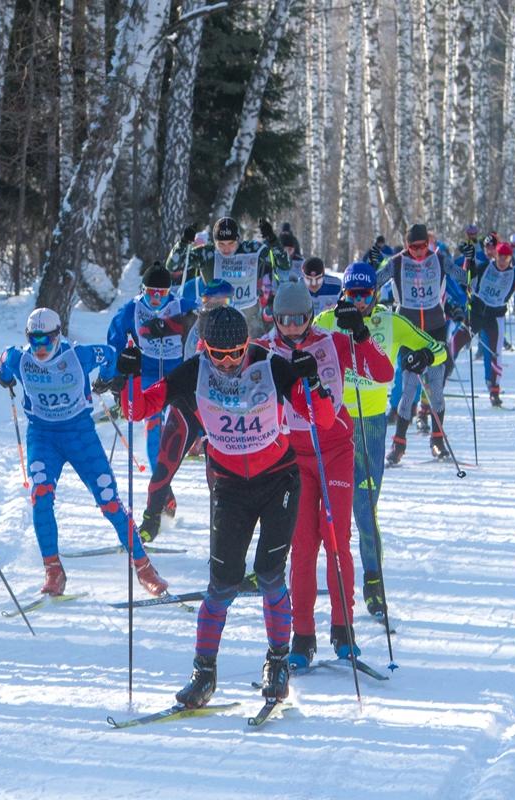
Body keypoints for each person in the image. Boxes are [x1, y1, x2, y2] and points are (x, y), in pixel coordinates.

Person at [120, 305, 336, 707]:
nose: (229, 362)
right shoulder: (193, 372)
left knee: (270, 575)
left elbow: (321, 419)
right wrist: (130, 375)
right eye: (219, 355)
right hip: (231, 486)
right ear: (204, 348)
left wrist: (313, 383)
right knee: (222, 586)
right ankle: (204, 673)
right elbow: (137, 409)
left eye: (237, 352)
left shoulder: (272, 367)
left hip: (278, 481)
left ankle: (277, 663)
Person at [256, 280, 394, 669]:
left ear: (310, 316)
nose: (292, 328)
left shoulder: (332, 342)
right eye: (284, 320)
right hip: (292, 457)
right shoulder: (266, 351)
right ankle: (302, 635)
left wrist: (362, 334)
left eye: (299, 319)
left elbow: (383, 372)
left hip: (334, 450)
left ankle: (343, 627)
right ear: (274, 317)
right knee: (301, 545)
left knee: (336, 537)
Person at [0, 308, 168, 598]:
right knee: (40, 495)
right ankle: (53, 570)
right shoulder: (19, 358)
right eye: (34, 341)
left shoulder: (78, 355)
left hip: (78, 433)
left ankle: (144, 567)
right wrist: (5, 378)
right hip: (43, 435)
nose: (40, 349)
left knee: (108, 499)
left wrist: (108, 379)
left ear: (58, 335)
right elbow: (3, 361)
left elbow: (111, 354)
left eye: (46, 341)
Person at [316, 262, 446, 623]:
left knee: (364, 507)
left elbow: (439, 348)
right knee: (321, 505)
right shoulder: (328, 320)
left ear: (376, 293)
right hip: (336, 420)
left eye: (366, 294)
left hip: (372, 425)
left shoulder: (390, 321)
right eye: (353, 294)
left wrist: (424, 357)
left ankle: (373, 580)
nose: (359, 302)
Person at [136, 279, 234, 543]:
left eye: (221, 302)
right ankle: (151, 520)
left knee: (218, 476)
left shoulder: (236, 323)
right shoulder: (192, 320)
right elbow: (149, 329)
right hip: (187, 399)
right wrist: (155, 329)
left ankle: (223, 537)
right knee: (165, 464)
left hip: (216, 406)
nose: (214, 307)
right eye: (209, 301)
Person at [374, 223, 467, 464]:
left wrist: (470, 261)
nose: (419, 251)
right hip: (408, 331)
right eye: (414, 247)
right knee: (408, 389)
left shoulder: (440, 259)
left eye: (423, 246)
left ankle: (437, 442)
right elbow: (372, 283)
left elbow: (463, 277)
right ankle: (398, 447)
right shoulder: (395, 263)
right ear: (406, 245)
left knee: (436, 388)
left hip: (435, 330)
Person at [107, 266, 198, 478]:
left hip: (176, 373)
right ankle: (161, 482)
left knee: (178, 422)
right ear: (143, 289)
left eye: (162, 293)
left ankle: (193, 445)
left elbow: (204, 320)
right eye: (151, 293)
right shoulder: (132, 309)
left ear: (169, 292)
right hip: (147, 374)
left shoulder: (180, 306)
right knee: (153, 424)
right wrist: (117, 374)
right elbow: (115, 342)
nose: (156, 299)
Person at [449, 242, 515, 407]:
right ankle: (440, 376)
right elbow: (465, 279)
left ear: (511, 258)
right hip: (475, 314)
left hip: (495, 318)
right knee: (454, 343)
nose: (503, 261)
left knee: (496, 354)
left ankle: (494, 391)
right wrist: (468, 260)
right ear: (495, 256)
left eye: (507, 257)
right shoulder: (484, 268)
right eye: (500, 257)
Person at [182, 216, 288, 337]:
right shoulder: (207, 254)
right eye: (221, 244)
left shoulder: (252, 250)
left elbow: (284, 264)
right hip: (215, 323)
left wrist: (272, 239)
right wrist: (184, 242)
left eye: (231, 243)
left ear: (239, 240)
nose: (226, 249)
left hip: (249, 323)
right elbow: (174, 266)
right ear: (214, 242)